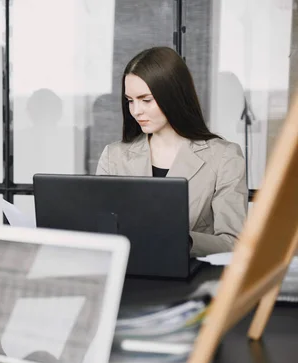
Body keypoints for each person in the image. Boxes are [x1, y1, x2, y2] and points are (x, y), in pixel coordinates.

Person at [96, 47, 248, 257]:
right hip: (128, 279)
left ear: (173, 96)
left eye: (146, 100)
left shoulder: (224, 157)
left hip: (190, 283)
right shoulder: (114, 156)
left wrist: (181, 239)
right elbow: (100, 233)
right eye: (130, 101)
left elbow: (234, 243)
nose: (136, 111)